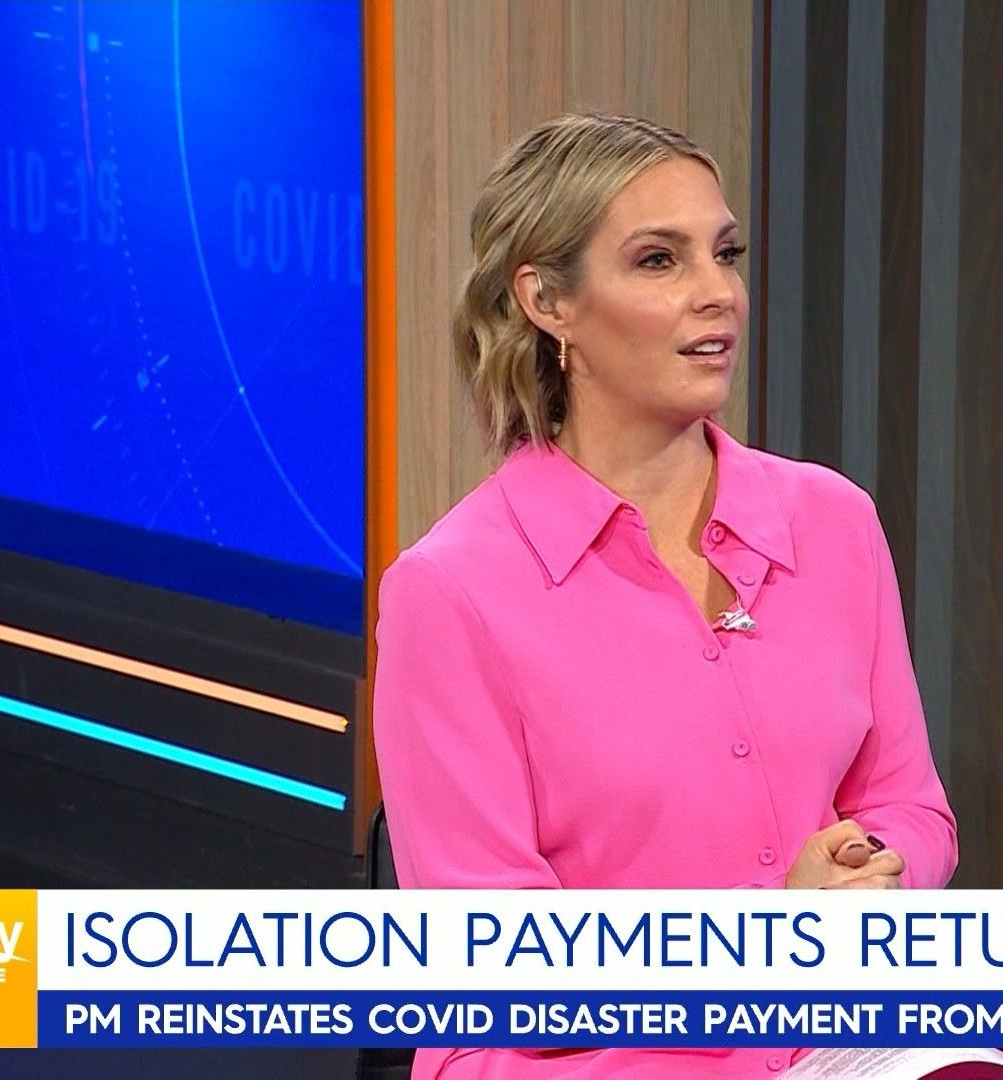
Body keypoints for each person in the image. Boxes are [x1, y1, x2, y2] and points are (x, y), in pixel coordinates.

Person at [372, 112, 959, 1079]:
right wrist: (770, 937)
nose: (717, 292)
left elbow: (911, 808)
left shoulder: (834, 523)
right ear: (548, 301)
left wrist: (871, 884)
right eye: (659, 260)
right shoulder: (452, 592)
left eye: (723, 253)